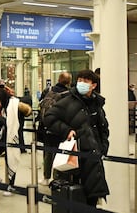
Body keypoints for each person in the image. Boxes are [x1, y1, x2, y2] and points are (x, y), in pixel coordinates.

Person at [43, 69, 110, 207]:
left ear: (94, 85)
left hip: (93, 158)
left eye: (85, 81)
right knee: (74, 197)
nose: (81, 83)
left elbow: (103, 128)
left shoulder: (97, 104)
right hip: (74, 158)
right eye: (79, 80)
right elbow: (49, 117)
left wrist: (103, 147)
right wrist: (66, 130)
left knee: (92, 197)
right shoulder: (67, 100)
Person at [38, 71, 72, 186]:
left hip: (46, 126)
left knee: (47, 152)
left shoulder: (48, 90)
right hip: (61, 127)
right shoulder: (69, 94)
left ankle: (45, 177)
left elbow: (41, 104)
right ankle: (56, 177)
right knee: (60, 153)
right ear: (69, 82)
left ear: (58, 79)